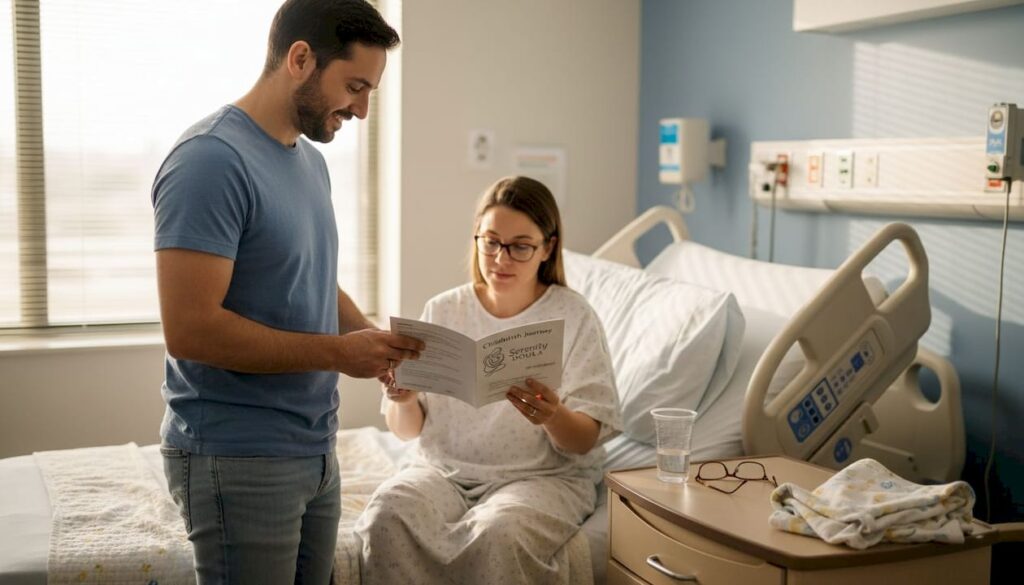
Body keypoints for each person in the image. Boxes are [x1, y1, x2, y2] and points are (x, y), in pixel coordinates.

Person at [150, 1, 422, 583]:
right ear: (300, 59)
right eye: (354, 86)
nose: (364, 110)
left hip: (316, 449)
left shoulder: (307, 163)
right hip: (238, 454)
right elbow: (191, 330)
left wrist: (371, 338)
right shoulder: (210, 161)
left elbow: (312, 276)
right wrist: (336, 353)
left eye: (370, 91)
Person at [355, 176, 622, 584]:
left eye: (520, 246)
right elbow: (407, 431)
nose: (501, 259)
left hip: (540, 478)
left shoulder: (574, 317)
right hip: (443, 469)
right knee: (385, 517)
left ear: (547, 248)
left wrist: (552, 414)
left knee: (499, 536)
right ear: (476, 238)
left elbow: (585, 439)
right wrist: (403, 400)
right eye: (491, 242)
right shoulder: (444, 310)